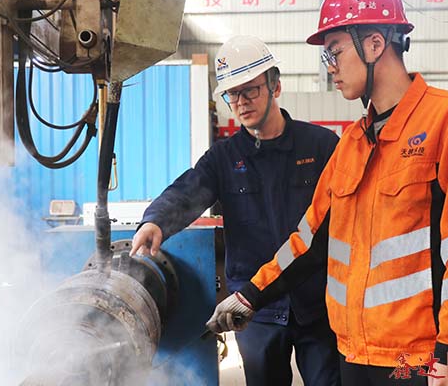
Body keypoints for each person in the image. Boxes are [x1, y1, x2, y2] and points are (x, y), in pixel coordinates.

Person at [207, 0, 448, 386]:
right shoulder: (352, 143)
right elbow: (310, 240)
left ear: (375, 44)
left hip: (418, 360)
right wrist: (250, 295)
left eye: (334, 51)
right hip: (353, 354)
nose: (330, 67)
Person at [130, 35, 341, 385]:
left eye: (250, 90)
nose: (241, 102)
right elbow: (188, 190)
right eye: (232, 94)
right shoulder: (224, 158)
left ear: (275, 85)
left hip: (316, 301)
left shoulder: (321, 146)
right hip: (255, 308)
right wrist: (155, 222)